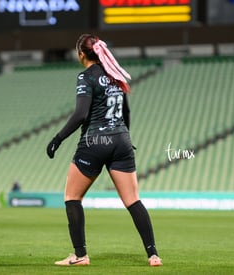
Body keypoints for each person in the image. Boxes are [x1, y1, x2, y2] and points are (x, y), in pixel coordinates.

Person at [46, 34, 162, 267]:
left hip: (94, 142)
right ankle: (153, 255)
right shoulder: (115, 74)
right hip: (121, 141)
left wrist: (57, 139)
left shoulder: (86, 77)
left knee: (72, 197)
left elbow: (81, 115)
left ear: (81, 54)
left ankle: (80, 256)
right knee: (133, 201)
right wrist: (124, 137)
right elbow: (125, 112)